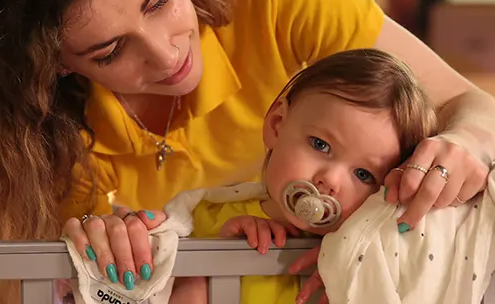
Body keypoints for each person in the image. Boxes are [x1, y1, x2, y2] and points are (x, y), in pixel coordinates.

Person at [0, 0, 495, 302]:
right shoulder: (40, 141)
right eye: (110, 50)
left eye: (158, 0)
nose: (168, 51)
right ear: (55, 63)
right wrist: (106, 265)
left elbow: (477, 108)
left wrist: (462, 145)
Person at [166, 48, 439, 303]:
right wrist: (212, 264)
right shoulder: (201, 220)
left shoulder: (373, 257)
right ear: (277, 125)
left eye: (363, 174)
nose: (330, 180)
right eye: (320, 144)